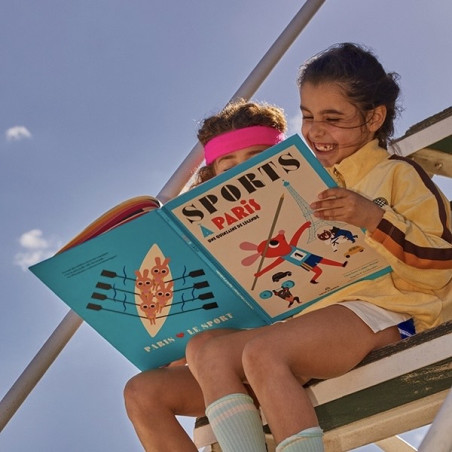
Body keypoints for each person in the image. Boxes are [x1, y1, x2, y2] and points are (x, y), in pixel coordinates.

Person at [185, 43, 452, 452]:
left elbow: (443, 263)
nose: (316, 131)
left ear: (374, 117)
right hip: (322, 316)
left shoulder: (397, 173)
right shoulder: (309, 182)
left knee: (263, 352)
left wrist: (374, 220)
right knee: (205, 350)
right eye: (308, 116)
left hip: (396, 311)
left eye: (333, 118)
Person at [123, 99, 288, 451]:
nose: (242, 171)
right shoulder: (195, 227)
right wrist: (169, 341)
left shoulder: (313, 195)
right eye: (228, 163)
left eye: (256, 157)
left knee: (215, 351)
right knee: (142, 391)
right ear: (213, 173)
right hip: (226, 366)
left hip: (296, 346)